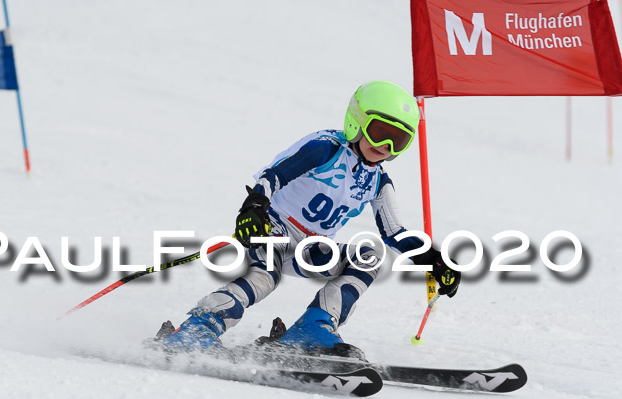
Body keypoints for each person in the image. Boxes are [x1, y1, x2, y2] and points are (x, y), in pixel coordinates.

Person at [159, 80, 460, 355]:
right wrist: (253, 207)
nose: (385, 147)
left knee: (368, 257)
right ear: (356, 121)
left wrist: (433, 259)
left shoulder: (378, 181)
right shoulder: (325, 148)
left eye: (399, 140)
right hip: (274, 227)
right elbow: (274, 175)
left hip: (312, 249)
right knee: (264, 277)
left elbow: (394, 232)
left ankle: (313, 329)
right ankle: (200, 326)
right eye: (380, 132)